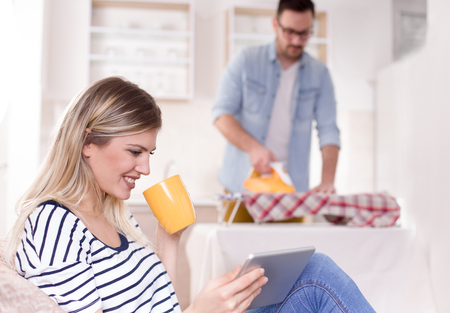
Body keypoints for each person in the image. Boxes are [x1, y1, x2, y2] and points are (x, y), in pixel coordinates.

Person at [3, 77, 374, 312]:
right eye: (135, 152)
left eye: (150, 154)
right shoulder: (54, 224)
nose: (145, 169)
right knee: (316, 279)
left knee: (311, 271)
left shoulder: (118, 218)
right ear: (87, 143)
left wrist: (169, 243)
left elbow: (161, 307)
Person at [213, 0, 340, 196]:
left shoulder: (320, 74)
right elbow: (221, 115)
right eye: (289, 32)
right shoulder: (246, 60)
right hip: (240, 188)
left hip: (291, 191)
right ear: (275, 24)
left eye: (304, 33)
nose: (297, 41)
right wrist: (254, 148)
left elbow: (329, 129)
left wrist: (327, 180)